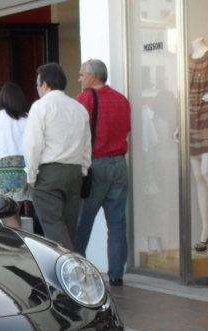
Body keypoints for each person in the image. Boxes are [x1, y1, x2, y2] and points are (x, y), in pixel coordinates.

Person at [74, 58, 132, 286]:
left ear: (93, 76)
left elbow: (76, 132)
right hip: (119, 163)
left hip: (96, 165)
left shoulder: (85, 98)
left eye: (81, 74)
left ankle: (78, 272)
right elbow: (126, 129)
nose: (79, 79)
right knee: (117, 224)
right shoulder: (122, 100)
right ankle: (116, 274)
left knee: (83, 222)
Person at [23, 63, 92, 249]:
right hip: (75, 171)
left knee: (53, 226)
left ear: (45, 85)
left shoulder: (41, 106)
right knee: (68, 226)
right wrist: (83, 170)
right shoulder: (79, 108)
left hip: (49, 172)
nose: (37, 89)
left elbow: (33, 144)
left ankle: (71, 269)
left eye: (38, 85)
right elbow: (87, 144)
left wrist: (31, 175)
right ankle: (70, 269)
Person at [0, 81, 30, 229]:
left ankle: (16, 245)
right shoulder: (28, 118)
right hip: (24, 169)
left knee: (7, 213)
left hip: (2, 171)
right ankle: (19, 242)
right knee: (16, 211)